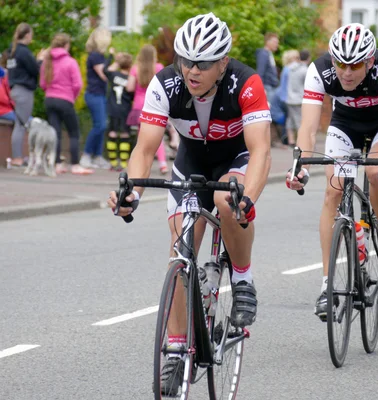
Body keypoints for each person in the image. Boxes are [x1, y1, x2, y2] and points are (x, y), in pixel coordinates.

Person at [108, 13, 271, 394]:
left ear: (223, 63)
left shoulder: (245, 82)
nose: (192, 70)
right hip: (191, 164)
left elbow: (261, 150)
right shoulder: (165, 83)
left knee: (226, 201)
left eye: (203, 63)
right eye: (185, 60)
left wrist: (249, 198)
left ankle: (243, 279)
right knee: (181, 249)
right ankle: (177, 349)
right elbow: (145, 148)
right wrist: (131, 191)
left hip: (235, 161)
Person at [285, 23, 378, 320]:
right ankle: (328, 285)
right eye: (341, 64)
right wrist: (298, 165)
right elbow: (309, 126)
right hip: (345, 125)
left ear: (369, 61)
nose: (346, 73)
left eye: (354, 66)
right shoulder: (320, 70)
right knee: (333, 190)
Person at [39, 33, 93, 175]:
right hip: (65, 100)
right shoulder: (70, 62)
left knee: (55, 133)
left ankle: (57, 163)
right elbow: (77, 84)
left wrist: (50, 91)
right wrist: (72, 97)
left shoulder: (47, 61)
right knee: (74, 132)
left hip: (50, 99)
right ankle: (75, 164)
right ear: (66, 45)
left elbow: (43, 83)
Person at [6, 23, 46, 167]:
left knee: (20, 123)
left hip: (14, 89)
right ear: (28, 35)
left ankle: (18, 156)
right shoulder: (23, 52)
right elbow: (35, 70)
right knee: (21, 124)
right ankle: (17, 158)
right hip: (24, 91)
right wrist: (40, 59)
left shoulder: (12, 51)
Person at [126, 45, 167, 173]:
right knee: (157, 136)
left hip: (139, 106)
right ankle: (163, 163)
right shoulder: (159, 68)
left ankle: (141, 166)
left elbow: (129, 88)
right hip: (155, 105)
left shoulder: (135, 69)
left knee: (141, 139)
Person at [81, 28, 112, 170]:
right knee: (100, 125)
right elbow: (104, 74)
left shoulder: (99, 56)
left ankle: (98, 156)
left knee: (101, 124)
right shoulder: (95, 56)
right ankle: (86, 155)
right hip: (94, 94)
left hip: (99, 94)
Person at [104, 49, 134, 170]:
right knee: (124, 134)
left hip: (112, 109)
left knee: (112, 133)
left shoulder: (114, 75)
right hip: (125, 110)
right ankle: (123, 163)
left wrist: (113, 57)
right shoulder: (130, 79)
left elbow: (106, 69)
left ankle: (112, 162)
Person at [286, 49, 310, 148]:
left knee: (290, 120)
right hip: (299, 99)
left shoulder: (291, 68)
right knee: (299, 121)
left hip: (289, 97)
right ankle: (300, 143)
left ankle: (291, 140)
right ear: (308, 58)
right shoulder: (305, 70)